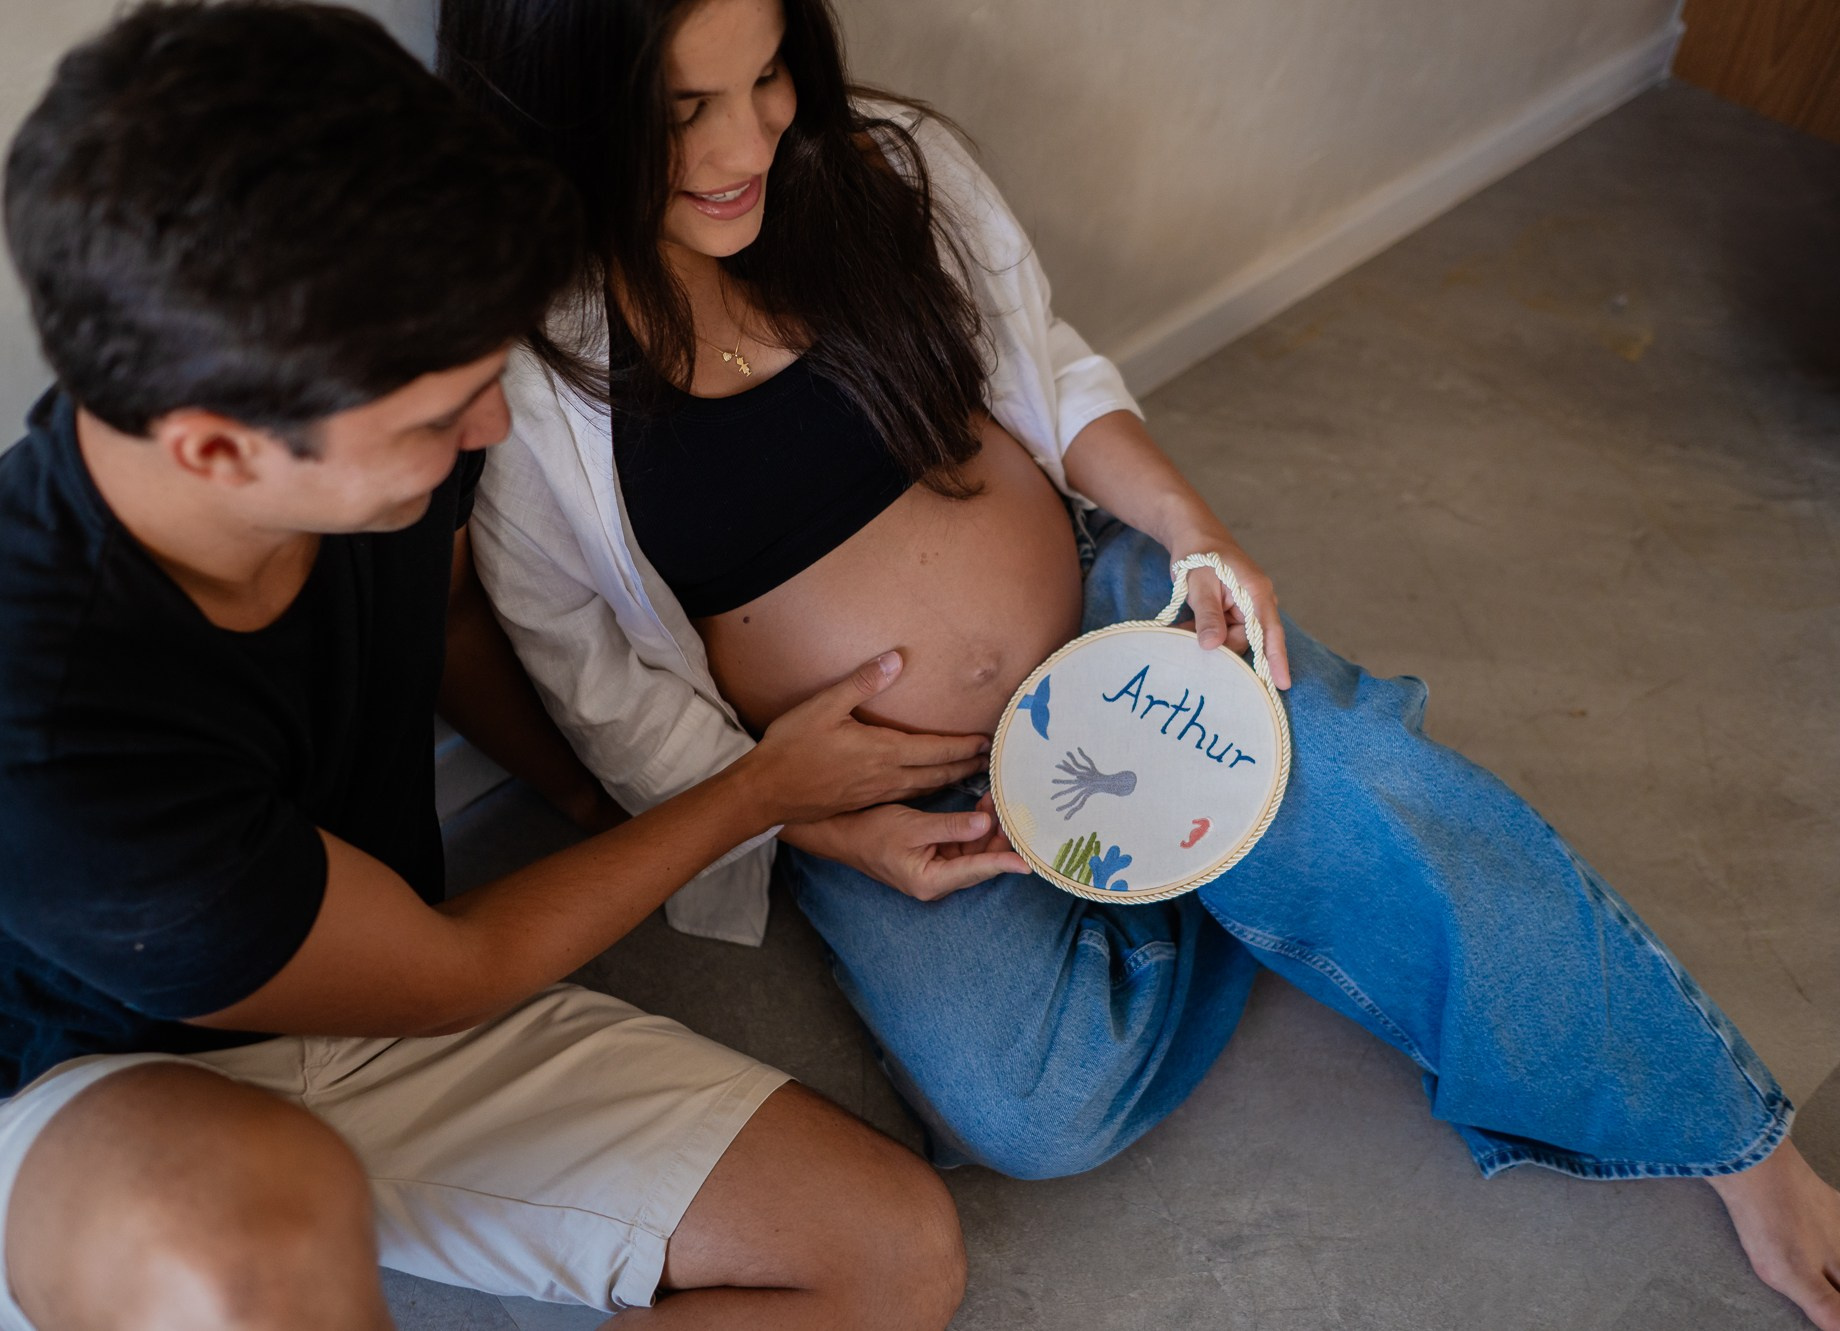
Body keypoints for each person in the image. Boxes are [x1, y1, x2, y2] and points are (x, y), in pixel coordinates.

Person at [440, 0, 1840, 1323]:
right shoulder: (528, 372)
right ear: (567, 105)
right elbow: (595, 679)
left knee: (1394, 830)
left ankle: (1726, 1135)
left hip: (1112, 623)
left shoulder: (879, 169)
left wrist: (1192, 530)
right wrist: (817, 819)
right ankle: (1264, 841)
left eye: (765, 77)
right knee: (1031, 1112)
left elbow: (1048, 375)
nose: (747, 143)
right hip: (880, 786)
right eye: (685, 109)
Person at [0, 5, 986, 1328]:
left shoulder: (369, 402)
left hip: (379, 978)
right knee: (257, 1240)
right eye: (439, 415)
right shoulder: (17, 749)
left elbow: (449, 631)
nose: (491, 427)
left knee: (891, 1253)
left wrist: (588, 796)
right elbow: (453, 969)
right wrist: (753, 791)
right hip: (83, 1090)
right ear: (220, 449)